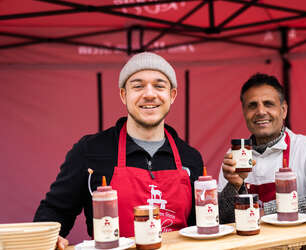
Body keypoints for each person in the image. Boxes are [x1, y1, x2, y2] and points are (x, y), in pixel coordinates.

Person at [34, 52, 203, 249]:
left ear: (172, 95)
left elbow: (199, 227)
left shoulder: (190, 158)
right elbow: (54, 212)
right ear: (124, 95)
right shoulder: (90, 150)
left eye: (159, 86)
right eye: (138, 86)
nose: (149, 94)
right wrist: (49, 237)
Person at [218, 73, 306, 223]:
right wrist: (233, 186)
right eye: (252, 105)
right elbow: (223, 218)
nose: (260, 112)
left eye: (268, 104)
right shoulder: (234, 155)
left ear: (284, 110)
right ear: (244, 112)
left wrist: (265, 211)